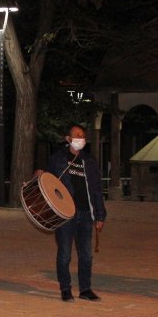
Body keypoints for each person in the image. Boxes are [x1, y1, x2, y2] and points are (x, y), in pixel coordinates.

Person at [45, 124, 106, 303]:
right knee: (65, 253)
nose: (81, 138)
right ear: (68, 139)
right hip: (65, 215)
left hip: (86, 214)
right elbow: (48, 185)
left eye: (83, 135)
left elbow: (96, 190)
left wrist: (100, 215)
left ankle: (85, 289)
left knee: (86, 254)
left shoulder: (89, 161)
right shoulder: (57, 160)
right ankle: (65, 289)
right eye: (77, 135)